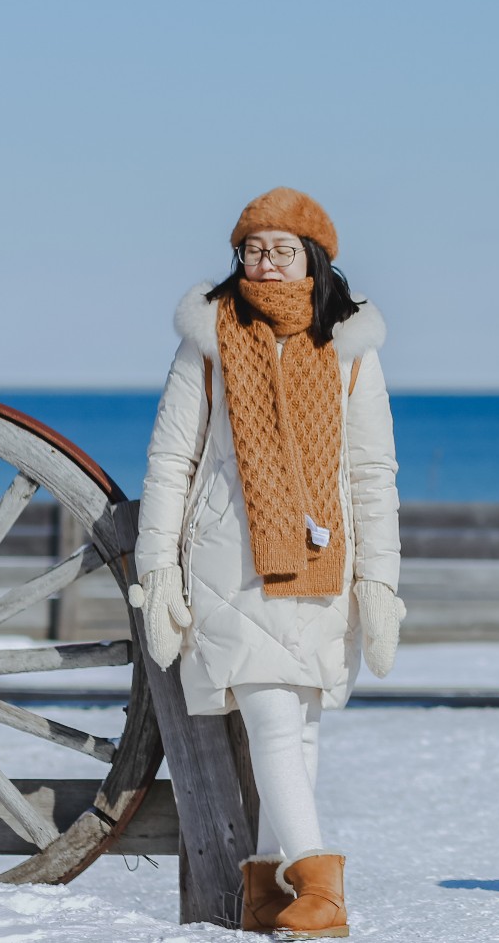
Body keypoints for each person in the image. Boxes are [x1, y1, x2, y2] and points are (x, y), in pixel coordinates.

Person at [131, 187, 402, 939]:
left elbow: (372, 472)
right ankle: (322, 888)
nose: (266, 262)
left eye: (282, 249)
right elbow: (170, 459)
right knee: (274, 717)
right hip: (229, 564)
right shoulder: (209, 340)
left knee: (301, 727)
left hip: (322, 567)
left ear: (313, 258)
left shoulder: (350, 347)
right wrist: (157, 571)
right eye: (253, 248)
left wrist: (379, 581)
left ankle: (266, 894)